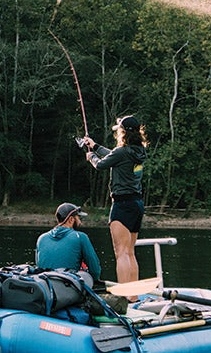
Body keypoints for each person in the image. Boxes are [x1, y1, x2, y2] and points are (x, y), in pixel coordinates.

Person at [81, 114, 149, 283]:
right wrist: (95, 146)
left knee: (121, 253)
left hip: (122, 205)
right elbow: (114, 155)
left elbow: (101, 165)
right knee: (130, 252)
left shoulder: (122, 152)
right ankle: (132, 296)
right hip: (137, 204)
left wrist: (92, 157)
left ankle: (124, 297)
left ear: (123, 132)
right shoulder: (139, 151)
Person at [34, 202, 102, 286]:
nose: (80, 222)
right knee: (86, 275)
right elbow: (94, 270)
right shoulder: (80, 237)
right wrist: (95, 281)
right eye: (78, 218)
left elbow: (39, 266)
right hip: (68, 287)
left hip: (46, 286)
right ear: (71, 219)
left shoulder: (41, 238)